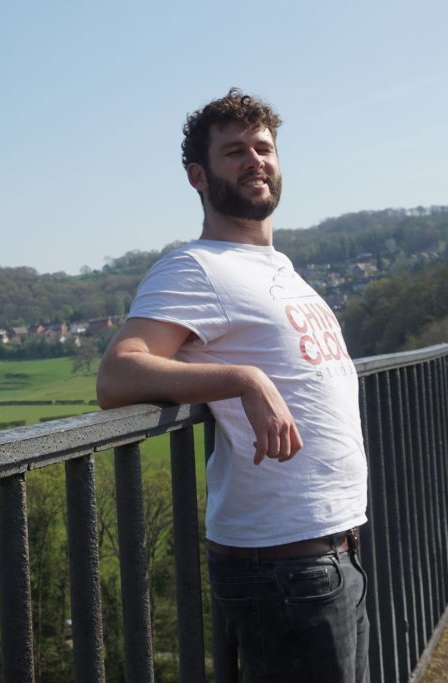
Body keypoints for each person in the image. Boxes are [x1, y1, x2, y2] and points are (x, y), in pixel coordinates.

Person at [96, 88, 369, 682]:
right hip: (283, 570)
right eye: (234, 151)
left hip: (326, 557)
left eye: (264, 147)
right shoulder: (194, 266)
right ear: (198, 176)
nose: (255, 160)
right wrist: (242, 378)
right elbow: (118, 374)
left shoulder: (280, 268)